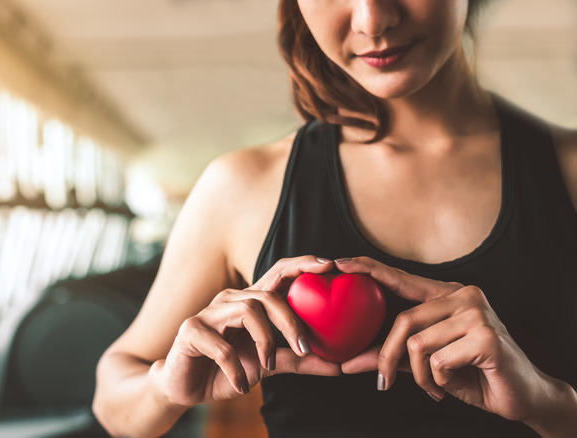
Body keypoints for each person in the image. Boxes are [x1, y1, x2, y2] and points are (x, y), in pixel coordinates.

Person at [92, 0, 577, 436]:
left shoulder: (569, 174)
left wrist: (553, 407)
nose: (373, 20)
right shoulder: (243, 187)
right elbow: (114, 401)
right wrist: (163, 387)